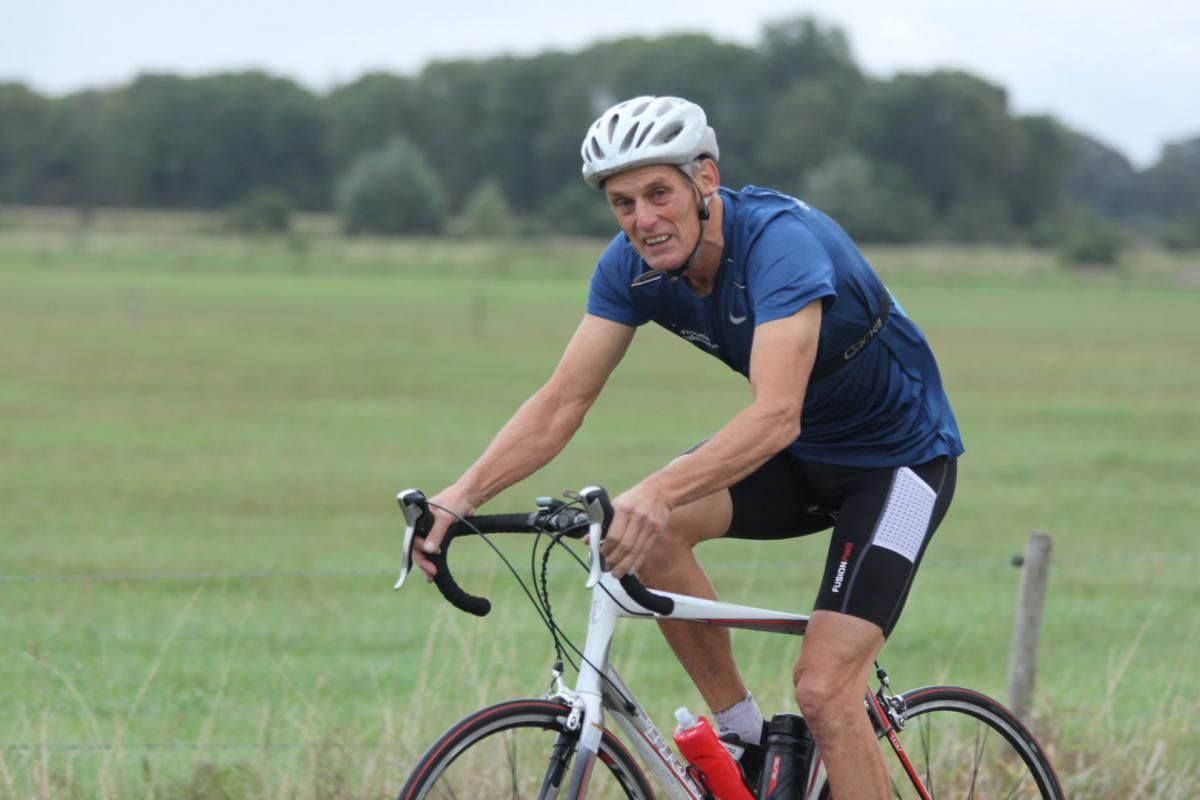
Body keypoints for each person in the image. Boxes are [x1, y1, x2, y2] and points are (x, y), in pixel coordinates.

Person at [414, 95, 963, 799]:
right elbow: (561, 403)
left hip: (900, 463)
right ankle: (746, 741)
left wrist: (658, 489)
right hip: (800, 456)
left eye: (657, 193)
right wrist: (459, 498)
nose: (642, 220)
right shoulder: (630, 269)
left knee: (825, 691)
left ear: (705, 179)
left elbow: (774, 416)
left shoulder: (779, 243)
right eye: (622, 203)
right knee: (648, 528)